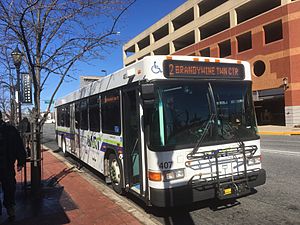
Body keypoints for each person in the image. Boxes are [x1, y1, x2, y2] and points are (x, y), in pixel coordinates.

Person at [0, 111, 26, 220]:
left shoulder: (10, 130)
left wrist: (21, 160)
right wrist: (21, 161)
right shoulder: (10, 129)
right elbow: (19, 146)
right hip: (7, 165)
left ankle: (10, 207)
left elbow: (18, 145)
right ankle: (10, 208)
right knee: (9, 187)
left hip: (7, 165)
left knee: (9, 187)